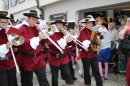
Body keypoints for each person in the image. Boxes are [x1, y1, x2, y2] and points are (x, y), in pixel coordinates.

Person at [17, 10, 50, 86]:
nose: (35, 21)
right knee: (27, 81)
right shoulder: (21, 28)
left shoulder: (38, 28)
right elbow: (25, 43)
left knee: (43, 79)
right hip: (26, 59)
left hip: (39, 58)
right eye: (33, 19)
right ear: (28, 19)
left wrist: (42, 31)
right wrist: (39, 37)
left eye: (36, 19)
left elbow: (46, 41)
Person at [45, 19, 74, 86]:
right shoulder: (51, 33)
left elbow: (70, 44)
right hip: (54, 58)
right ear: (55, 25)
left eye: (61, 25)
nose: (60, 26)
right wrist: (65, 39)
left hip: (63, 57)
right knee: (55, 76)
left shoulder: (63, 33)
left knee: (67, 74)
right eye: (59, 25)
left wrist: (67, 35)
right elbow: (53, 45)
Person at [77, 15, 103, 86]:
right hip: (85, 54)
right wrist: (90, 42)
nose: (92, 24)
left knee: (96, 71)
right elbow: (78, 44)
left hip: (94, 54)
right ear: (85, 24)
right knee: (87, 71)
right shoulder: (81, 32)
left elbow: (97, 41)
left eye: (92, 23)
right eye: (90, 23)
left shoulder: (93, 31)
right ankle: (87, 84)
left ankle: (100, 84)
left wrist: (100, 38)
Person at [0, 11, 16, 86]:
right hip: (1, 64)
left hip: (11, 62)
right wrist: (6, 46)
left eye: (6, 22)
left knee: (11, 83)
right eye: (2, 22)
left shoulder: (10, 28)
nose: (5, 24)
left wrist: (13, 35)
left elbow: (22, 38)